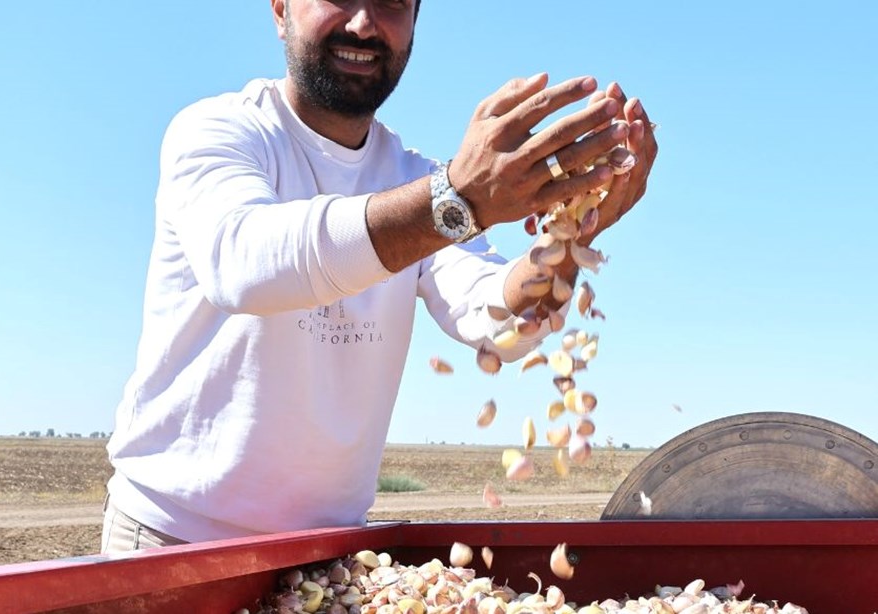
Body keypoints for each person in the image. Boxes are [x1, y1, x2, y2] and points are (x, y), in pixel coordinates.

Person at [102, 0, 657, 551]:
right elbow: (243, 265)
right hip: (169, 537)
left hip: (330, 553)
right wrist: (457, 200)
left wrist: (570, 234)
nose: (364, 24)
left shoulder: (415, 178)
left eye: (391, 3)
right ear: (279, 11)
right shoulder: (220, 132)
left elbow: (498, 321)